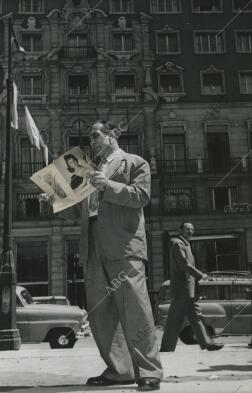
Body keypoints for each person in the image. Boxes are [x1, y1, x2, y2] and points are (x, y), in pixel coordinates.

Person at [79, 120, 163, 391]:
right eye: (90, 138)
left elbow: (141, 196)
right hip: (92, 243)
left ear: (113, 134)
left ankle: (149, 371)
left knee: (135, 308)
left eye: (95, 136)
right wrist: (55, 199)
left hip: (124, 244)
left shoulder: (135, 162)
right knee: (100, 312)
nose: (91, 142)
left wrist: (108, 186)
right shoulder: (88, 170)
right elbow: (83, 211)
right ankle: (120, 370)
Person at [160, 222, 224, 352]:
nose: (190, 231)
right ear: (181, 230)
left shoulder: (186, 244)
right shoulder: (178, 244)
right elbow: (185, 265)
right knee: (175, 319)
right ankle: (167, 347)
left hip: (189, 289)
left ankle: (207, 343)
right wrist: (201, 275)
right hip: (182, 289)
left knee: (196, 317)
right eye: (187, 229)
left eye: (192, 229)